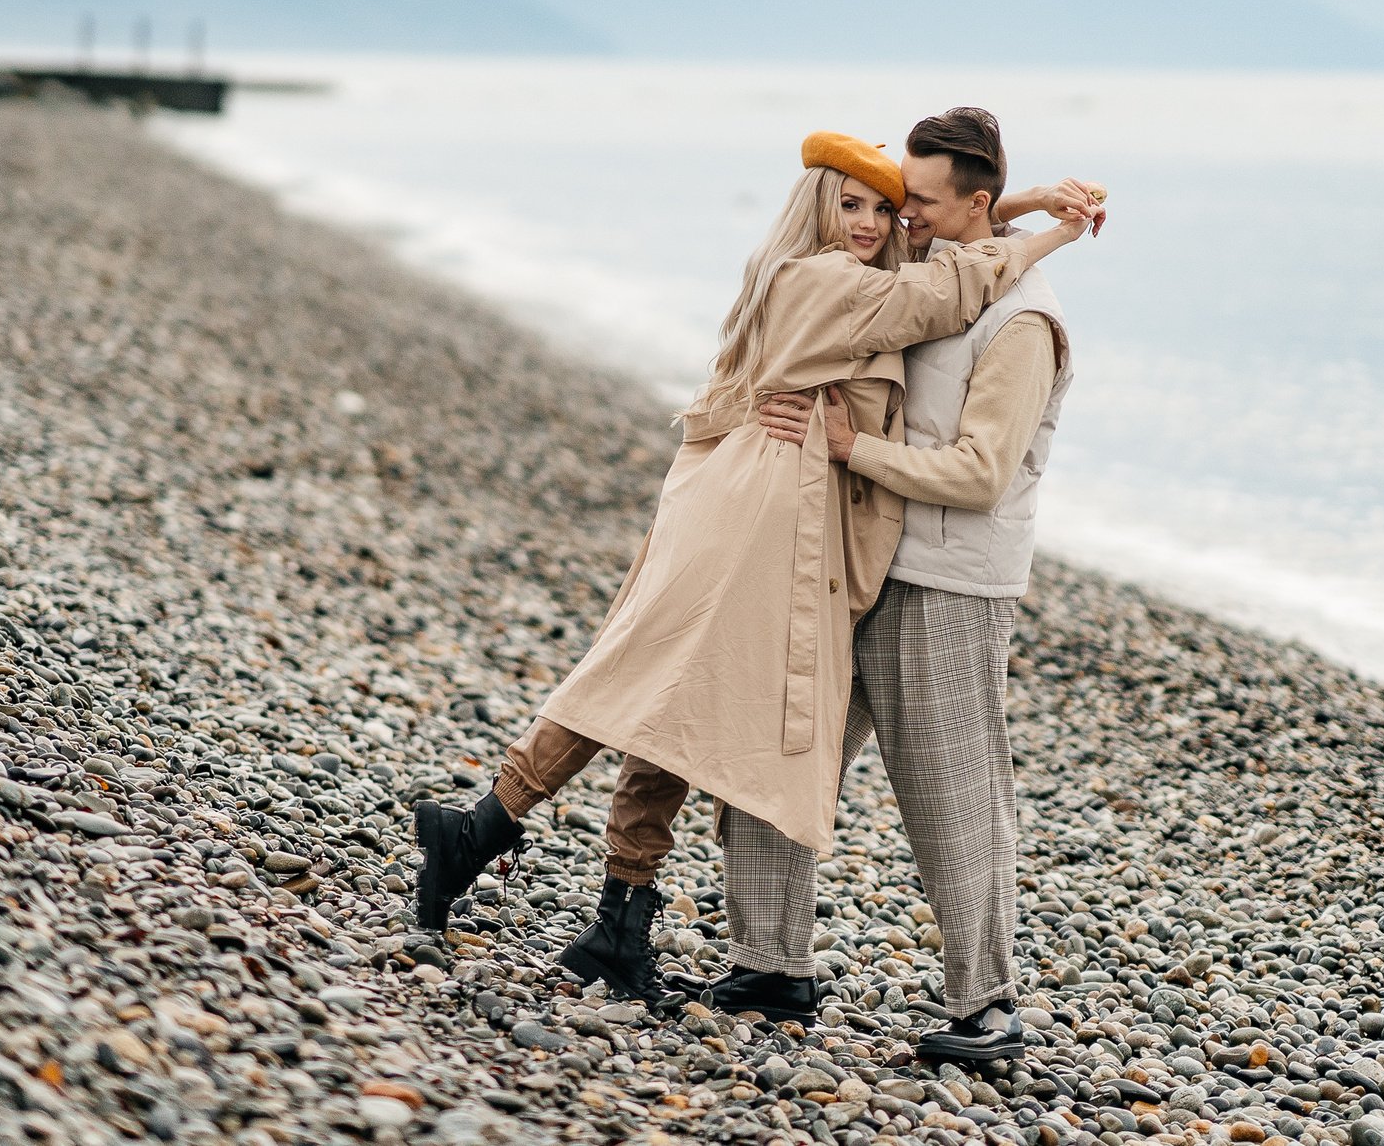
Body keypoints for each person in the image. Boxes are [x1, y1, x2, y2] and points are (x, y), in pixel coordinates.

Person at [411, 129, 1095, 1006]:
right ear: (815, 205)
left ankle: (617, 915)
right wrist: (1051, 234)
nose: (875, 221)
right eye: (849, 203)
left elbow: (946, 235)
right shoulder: (826, 280)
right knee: (646, 686)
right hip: (764, 510)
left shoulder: (870, 268)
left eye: (885, 207)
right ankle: (480, 829)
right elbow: (950, 279)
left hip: (779, 503)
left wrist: (1025, 200)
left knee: (670, 699)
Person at [698, 107, 1094, 1063]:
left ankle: (986, 1006)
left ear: (971, 202)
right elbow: (936, 255)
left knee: (951, 791)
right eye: (897, 199)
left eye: (917, 201)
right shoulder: (931, 272)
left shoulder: (1024, 322)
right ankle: (770, 961)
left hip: (950, 586)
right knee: (776, 752)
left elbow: (981, 473)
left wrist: (849, 446)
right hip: (855, 561)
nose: (899, 216)